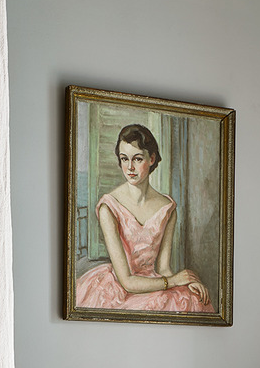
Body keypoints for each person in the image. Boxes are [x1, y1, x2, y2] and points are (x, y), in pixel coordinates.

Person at [75, 124, 214, 313]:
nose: (130, 167)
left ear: (152, 159)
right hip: (119, 288)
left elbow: (164, 268)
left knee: (192, 300)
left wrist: (187, 283)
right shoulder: (109, 206)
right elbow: (127, 282)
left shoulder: (168, 208)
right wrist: (174, 281)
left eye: (137, 159)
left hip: (154, 281)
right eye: (124, 159)